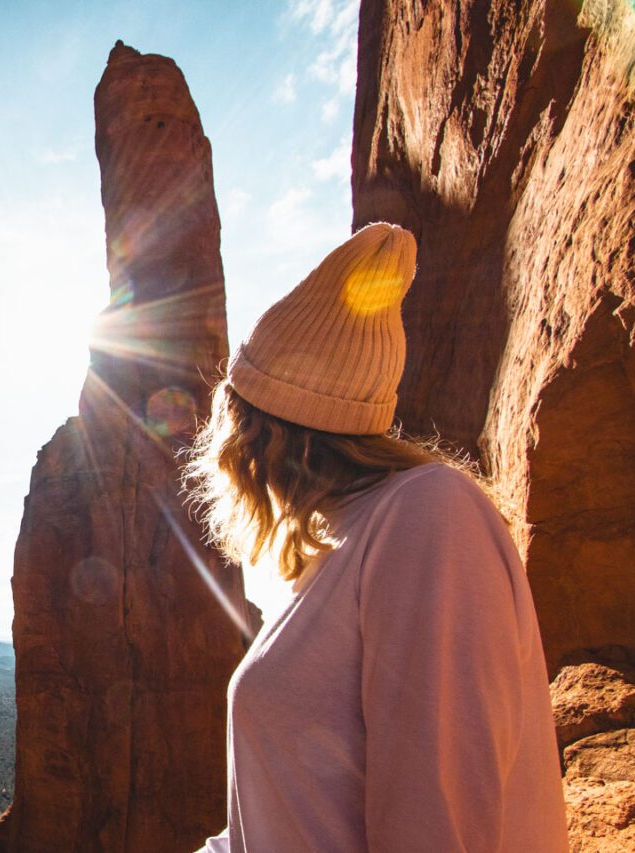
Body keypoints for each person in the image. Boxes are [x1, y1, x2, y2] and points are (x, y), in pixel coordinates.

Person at [186, 223, 568, 852]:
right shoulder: (335, 548)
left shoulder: (428, 516)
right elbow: (288, 810)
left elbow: (441, 818)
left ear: (256, 427)